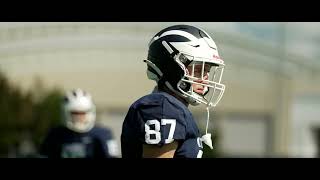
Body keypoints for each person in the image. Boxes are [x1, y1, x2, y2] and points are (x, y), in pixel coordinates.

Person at [121, 24, 226, 158]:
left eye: (207, 71)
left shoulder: (173, 108)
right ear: (172, 67)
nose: (205, 78)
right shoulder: (163, 107)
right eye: (198, 69)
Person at [40, 88, 119, 158]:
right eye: (75, 113)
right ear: (65, 113)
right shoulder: (55, 134)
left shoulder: (103, 134)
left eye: (82, 113)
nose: (79, 117)